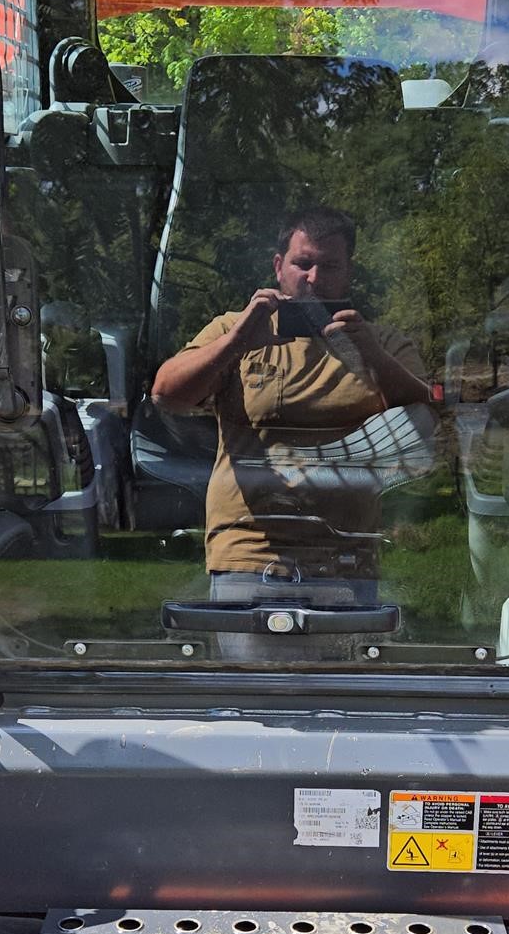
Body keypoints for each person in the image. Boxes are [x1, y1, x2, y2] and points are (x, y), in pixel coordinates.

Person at [151, 208, 433, 655]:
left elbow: (424, 418)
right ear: (278, 265)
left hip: (347, 552)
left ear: (349, 272)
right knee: (255, 700)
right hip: (249, 549)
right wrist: (237, 341)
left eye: (331, 266)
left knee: (345, 703)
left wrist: (369, 354)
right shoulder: (233, 329)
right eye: (303, 263)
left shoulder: (381, 342)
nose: (314, 278)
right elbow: (167, 394)